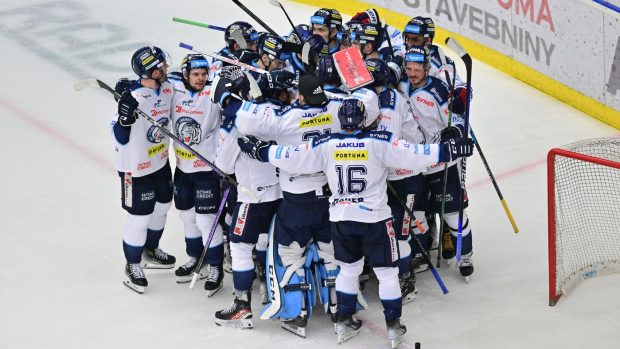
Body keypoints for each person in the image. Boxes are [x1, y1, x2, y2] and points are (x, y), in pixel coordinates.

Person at [237, 98, 473, 347]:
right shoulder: (379, 142)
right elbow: (415, 155)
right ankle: (393, 326)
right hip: (376, 220)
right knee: (387, 274)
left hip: (342, 219)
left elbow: (289, 157)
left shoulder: (326, 145)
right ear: (363, 119)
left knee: (349, 270)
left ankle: (343, 321)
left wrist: (258, 150)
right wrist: (451, 149)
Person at [219, 74, 379, 337]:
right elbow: (369, 101)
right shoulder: (338, 107)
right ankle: (338, 310)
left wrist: (228, 97)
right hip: (331, 199)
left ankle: (296, 315)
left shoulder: (286, 119)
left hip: (296, 202)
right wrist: (354, 80)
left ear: (301, 97)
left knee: (290, 255)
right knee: (331, 253)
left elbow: (245, 117)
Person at [210, 66, 286, 329]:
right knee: (271, 242)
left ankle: (242, 305)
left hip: (252, 198)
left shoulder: (238, 122)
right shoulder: (281, 113)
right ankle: (270, 287)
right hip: (282, 194)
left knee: (240, 246)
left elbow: (223, 164)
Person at [403, 45, 475, 278]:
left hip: (442, 163)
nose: (412, 73)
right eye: (409, 68)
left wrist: (454, 130)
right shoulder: (402, 87)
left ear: (426, 69)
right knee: (416, 215)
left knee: (452, 214)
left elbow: (457, 118)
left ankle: (465, 254)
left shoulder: (439, 90)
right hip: (414, 165)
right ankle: (420, 255)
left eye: (416, 69)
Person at [111, 46, 176, 293]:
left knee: (162, 207)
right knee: (139, 216)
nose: (166, 68)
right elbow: (119, 137)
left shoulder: (167, 87)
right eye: (162, 66)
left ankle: (150, 249)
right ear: (151, 71)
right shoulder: (134, 97)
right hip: (134, 169)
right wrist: (124, 119)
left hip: (159, 161)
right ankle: (132, 264)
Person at [165, 54, 228, 295]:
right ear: (186, 75)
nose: (201, 79)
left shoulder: (214, 92)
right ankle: (196, 258)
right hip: (182, 168)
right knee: (186, 216)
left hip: (207, 169)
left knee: (206, 220)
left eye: (203, 74)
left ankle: (215, 267)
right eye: (195, 75)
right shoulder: (175, 89)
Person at [366, 58, 425, 303]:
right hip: (391, 175)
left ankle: (406, 279)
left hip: (405, 176)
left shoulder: (389, 102)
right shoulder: (379, 97)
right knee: (390, 229)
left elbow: (385, 141)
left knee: (400, 233)